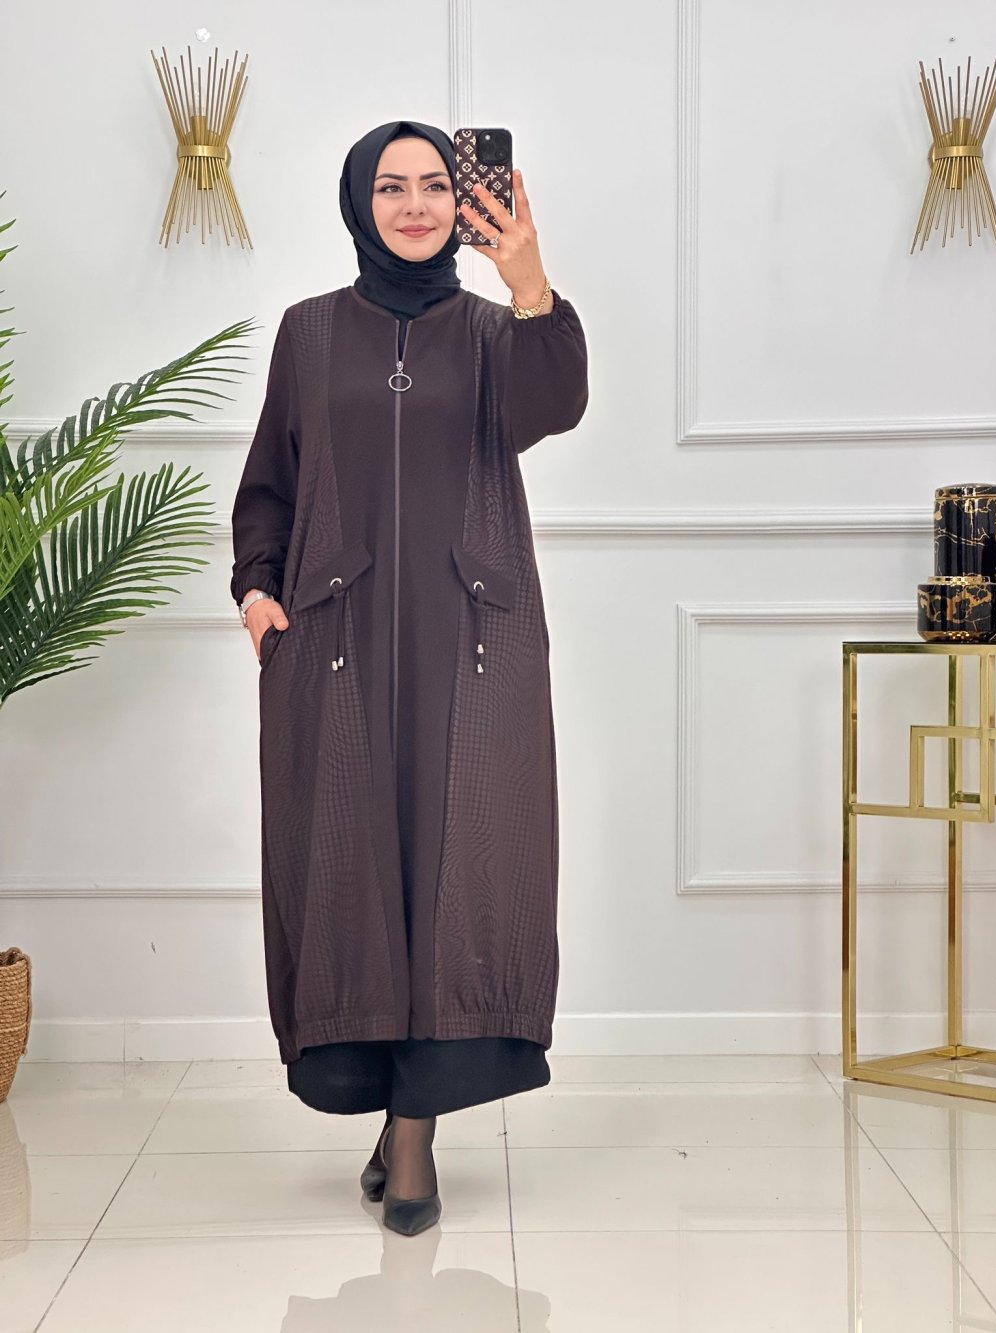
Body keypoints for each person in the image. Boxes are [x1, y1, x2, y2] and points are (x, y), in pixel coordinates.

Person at [229, 119, 588, 1236]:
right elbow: (271, 478)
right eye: (392, 186)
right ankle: (387, 1114)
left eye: (437, 183)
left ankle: (418, 1135)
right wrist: (256, 588)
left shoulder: (492, 331)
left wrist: (529, 284)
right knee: (349, 869)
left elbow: (554, 407)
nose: (418, 204)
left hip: (470, 641)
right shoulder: (308, 332)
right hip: (332, 642)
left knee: (460, 870)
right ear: (359, 202)